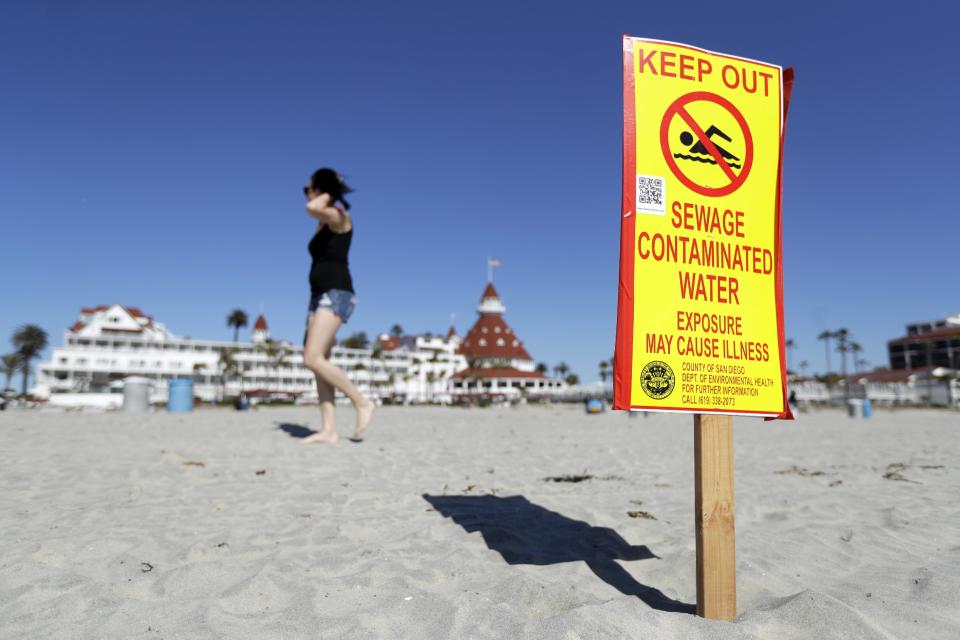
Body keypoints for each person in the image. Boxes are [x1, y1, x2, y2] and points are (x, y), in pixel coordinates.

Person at [299, 168, 375, 444]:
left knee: (313, 357)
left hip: (336, 293)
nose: (306, 194)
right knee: (319, 363)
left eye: (309, 187)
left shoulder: (339, 216)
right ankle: (328, 430)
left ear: (321, 189)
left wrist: (327, 192)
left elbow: (311, 207)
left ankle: (362, 402)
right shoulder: (323, 221)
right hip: (318, 295)